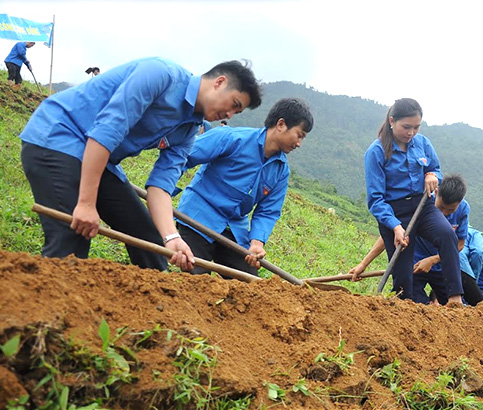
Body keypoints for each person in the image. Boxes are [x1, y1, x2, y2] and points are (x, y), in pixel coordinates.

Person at [20, 57, 262, 272]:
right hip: (57, 138)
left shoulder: (189, 130)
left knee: (151, 242)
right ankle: (49, 316)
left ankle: (155, 317)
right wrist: (85, 203)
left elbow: (160, 185)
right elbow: (105, 132)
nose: (230, 115)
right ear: (219, 82)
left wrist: (171, 237)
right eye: (234, 104)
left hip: (101, 160)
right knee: (72, 236)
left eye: (236, 112)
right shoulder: (160, 75)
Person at [176, 97, 313, 275]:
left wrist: (256, 242)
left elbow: (267, 211)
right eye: (299, 135)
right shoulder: (232, 138)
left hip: (234, 230)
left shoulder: (281, 171)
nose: (299, 144)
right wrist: (162, 191)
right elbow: (183, 156)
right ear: (281, 124)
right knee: (194, 281)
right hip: (198, 218)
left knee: (248, 287)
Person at [363, 98, 463, 303]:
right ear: (392, 121)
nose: (411, 133)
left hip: (422, 206)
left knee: (447, 235)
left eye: (416, 127)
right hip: (394, 213)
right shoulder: (376, 152)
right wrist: (395, 227)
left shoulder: (423, 143)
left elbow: (435, 169)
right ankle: (404, 309)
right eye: (406, 127)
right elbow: (375, 200)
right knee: (403, 278)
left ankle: (455, 298)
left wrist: (432, 176)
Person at [411, 175, 483, 305]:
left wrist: (433, 260)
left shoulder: (463, 209)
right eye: (441, 207)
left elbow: (460, 244)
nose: (444, 213)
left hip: (443, 265)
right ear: (436, 192)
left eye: (450, 210)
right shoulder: (423, 202)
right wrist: (364, 264)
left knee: (460, 304)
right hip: (417, 264)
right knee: (415, 304)